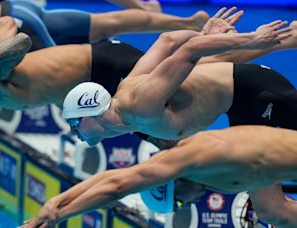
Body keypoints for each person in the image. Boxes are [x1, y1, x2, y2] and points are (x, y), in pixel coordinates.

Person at [61, 18, 296, 146]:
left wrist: (251, 39)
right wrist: (204, 37)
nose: (74, 132)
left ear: (92, 111)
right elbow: (167, 40)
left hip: (254, 91)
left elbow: (189, 50)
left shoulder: (140, 105)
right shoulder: (127, 95)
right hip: (236, 105)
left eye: (74, 123)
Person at [21, 125, 297, 228]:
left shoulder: (191, 158)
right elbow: (113, 176)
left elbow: (117, 187)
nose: (187, 206)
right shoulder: (202, 173)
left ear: (171, 183)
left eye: (178, 203)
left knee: (273, 211)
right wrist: (56, 203)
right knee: (274, 212)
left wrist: (60, 216)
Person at [0, 0, 209, 65]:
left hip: (19, 27)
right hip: (21, 8)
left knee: (63, 69)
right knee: (107, 22)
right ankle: (188, 22)